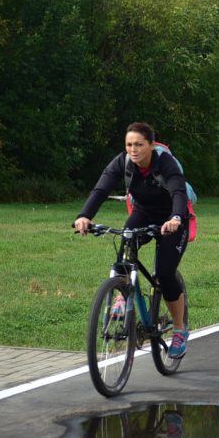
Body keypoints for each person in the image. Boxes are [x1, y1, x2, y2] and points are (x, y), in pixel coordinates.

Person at [74, 122, 191, 359]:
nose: (133, 149)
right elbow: (101, 189)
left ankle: (179, 330)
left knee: (165, 273)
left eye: (139, 144)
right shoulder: (123, 162)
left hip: (172, 219)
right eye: (129, 144)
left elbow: (178, 192)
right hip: (144, 213)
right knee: (125, 247)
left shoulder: (165, 163)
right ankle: (121, 293)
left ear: (151, 144)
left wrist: (177, 217)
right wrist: (84, 215)